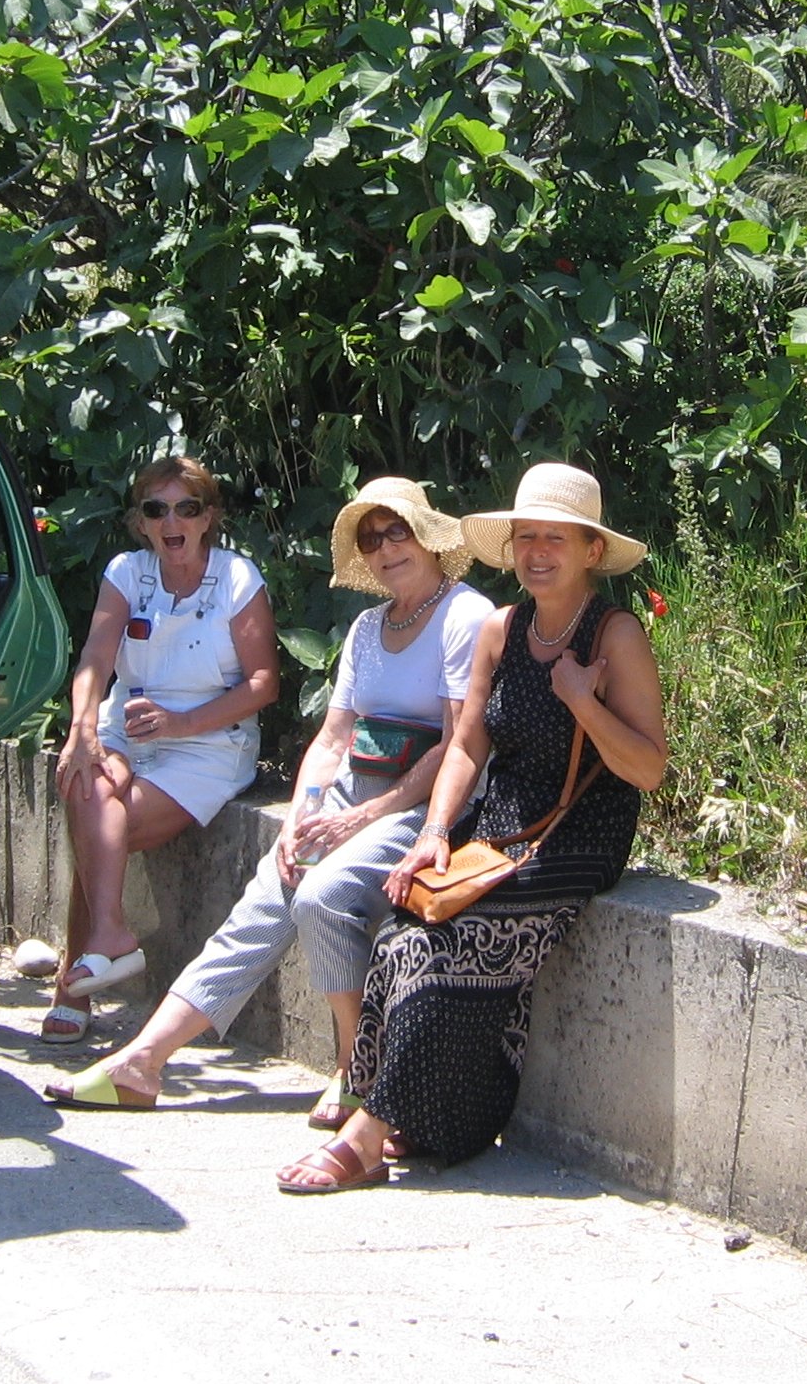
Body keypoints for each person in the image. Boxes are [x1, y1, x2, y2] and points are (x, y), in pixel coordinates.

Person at [275, 463, 668, 1194]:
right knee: (403, 928)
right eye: (525, 537)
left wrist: (583, 702)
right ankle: (433, 1119)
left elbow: (647, 768)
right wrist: (432, 832)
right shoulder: (501, 628)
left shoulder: (615, 634)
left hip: (575, 835)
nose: (537, 551)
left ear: (589, 549)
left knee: (454, 941)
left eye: (556, 537)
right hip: (497, 828)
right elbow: (463, 745)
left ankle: (364, 1135)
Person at [44, 477, 496, 1113]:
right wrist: (301, 816)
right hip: (352, 791)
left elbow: (457, 745)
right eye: (372, 537)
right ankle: (143, 1062)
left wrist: (367, 814)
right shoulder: (369, 627)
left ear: (426, 537)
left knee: (319, 895)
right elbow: (334, 736)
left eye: (397, 531)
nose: (386, 547)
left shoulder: (466, 616)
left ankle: (351, 1067)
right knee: (263, 900)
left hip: (424, 803)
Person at [43, 455, 282, 1043]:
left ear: (208, 519)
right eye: (156, 509)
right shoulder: (127, 572)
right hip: (126, 725)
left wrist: (181, 723)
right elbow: (96, 660)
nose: (171, 521)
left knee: (99, 822)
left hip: (209, 741)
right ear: (141, 522)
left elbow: (263, 684)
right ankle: (108, 938)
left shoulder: (237, 578)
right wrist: (82, 729)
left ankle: (78, 980)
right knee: (85, 782)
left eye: (186, 507)